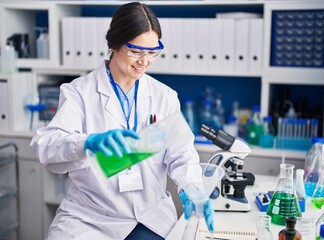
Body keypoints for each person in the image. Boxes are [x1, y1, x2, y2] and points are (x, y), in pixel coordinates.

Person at [30, 2, 214, 240]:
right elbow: (44, 146)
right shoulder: (79, 93)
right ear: (114, 44)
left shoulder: (164, 97)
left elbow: (181, 154)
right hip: (90, 217)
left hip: (150, 217)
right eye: (136, 51)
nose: (144, 61)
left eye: (152, 52)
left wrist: (192, 189)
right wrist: (87, 143)